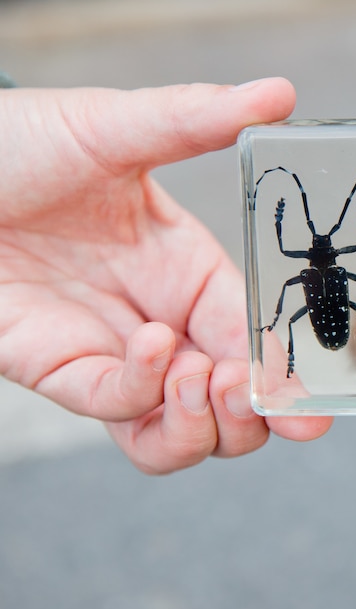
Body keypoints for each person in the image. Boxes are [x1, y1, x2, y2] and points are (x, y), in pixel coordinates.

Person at [0, 77, 333, 474]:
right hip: (330, 314)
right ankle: (291, 354)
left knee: (270, 346)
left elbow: (282, 249)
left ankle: (290, 353)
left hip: (329, 318)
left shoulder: (305, 274)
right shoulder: (317, 273)